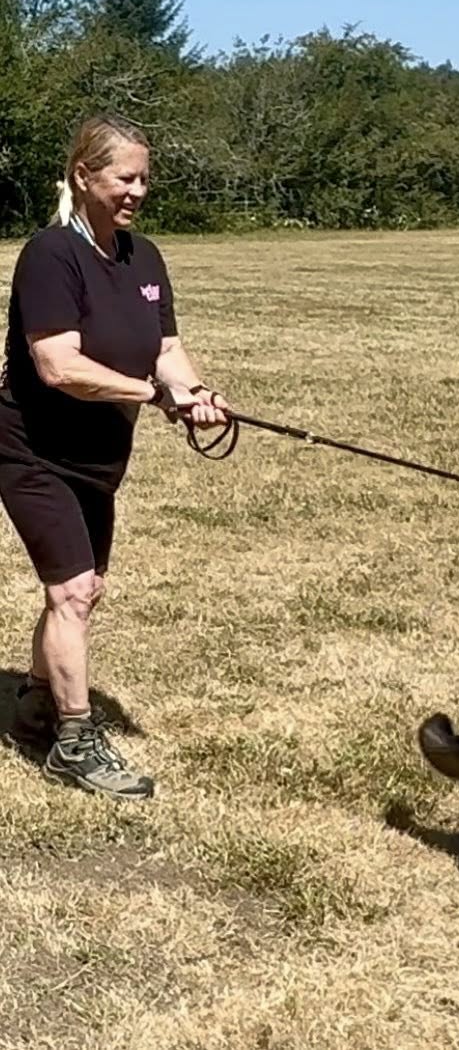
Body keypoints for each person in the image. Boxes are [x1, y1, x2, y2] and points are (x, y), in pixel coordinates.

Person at [0, 113, 229, 800]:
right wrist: (153, 393)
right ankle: (73, 739)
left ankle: (38, 701)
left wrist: (195, 393)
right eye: (125, 178)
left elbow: (165, 350)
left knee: (85, 588)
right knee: (70, 589)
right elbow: (56, 364)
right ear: (84, 176)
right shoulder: (50, 255)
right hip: (31, 447)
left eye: (144, 179)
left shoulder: (144, 257)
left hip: (99, 453)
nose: (137, 191)